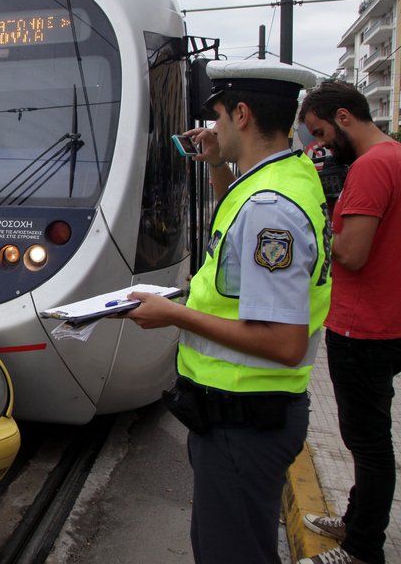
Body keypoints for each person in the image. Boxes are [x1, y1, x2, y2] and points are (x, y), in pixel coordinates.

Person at [124, 60, 331, 564]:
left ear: (241, 114)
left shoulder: (270, 208)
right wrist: (216, 162)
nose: (212, 128)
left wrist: (173, 315)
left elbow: (284, 342)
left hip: (245, 421)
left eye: (217, 117)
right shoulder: (287, 176)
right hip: (247, 415)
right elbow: (238, 234)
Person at [295, 81, 401, 564]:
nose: (321, 145)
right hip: (386, 319)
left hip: (362, 325)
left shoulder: (371, 167)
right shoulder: (394, 156)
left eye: (320, 132)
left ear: (343, 117)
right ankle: (357, 522)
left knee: (367, 443)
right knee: (369, 439)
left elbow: (352, 253)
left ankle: (362, 549)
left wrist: (316, 225)